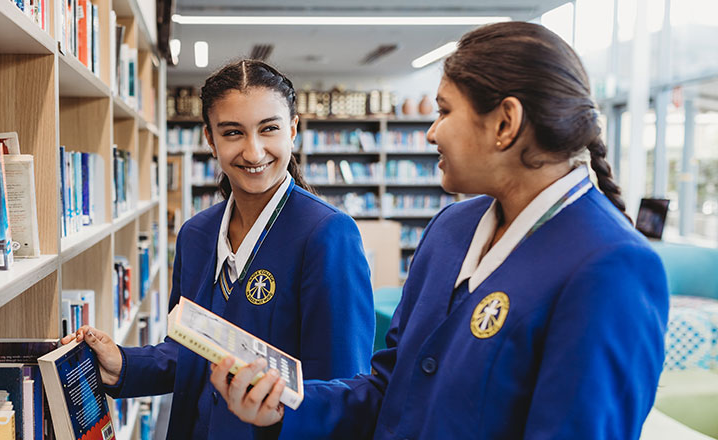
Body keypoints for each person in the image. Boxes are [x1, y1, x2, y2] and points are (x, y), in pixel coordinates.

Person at [209, 22, 670, 439]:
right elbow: (389, 388)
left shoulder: (612, 266)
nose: (432, 133)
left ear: (505, 123)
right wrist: (285, 405)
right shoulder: (451, 229)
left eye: (445, 111)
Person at [62, 59, 375, 439]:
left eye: (269, 129)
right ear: (210, 140)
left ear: (293, 130)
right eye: (233, 133)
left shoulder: (328, 234)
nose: (254, 152)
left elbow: (341, 394)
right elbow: (191, 352)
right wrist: (123, 364)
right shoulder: (196, 234)